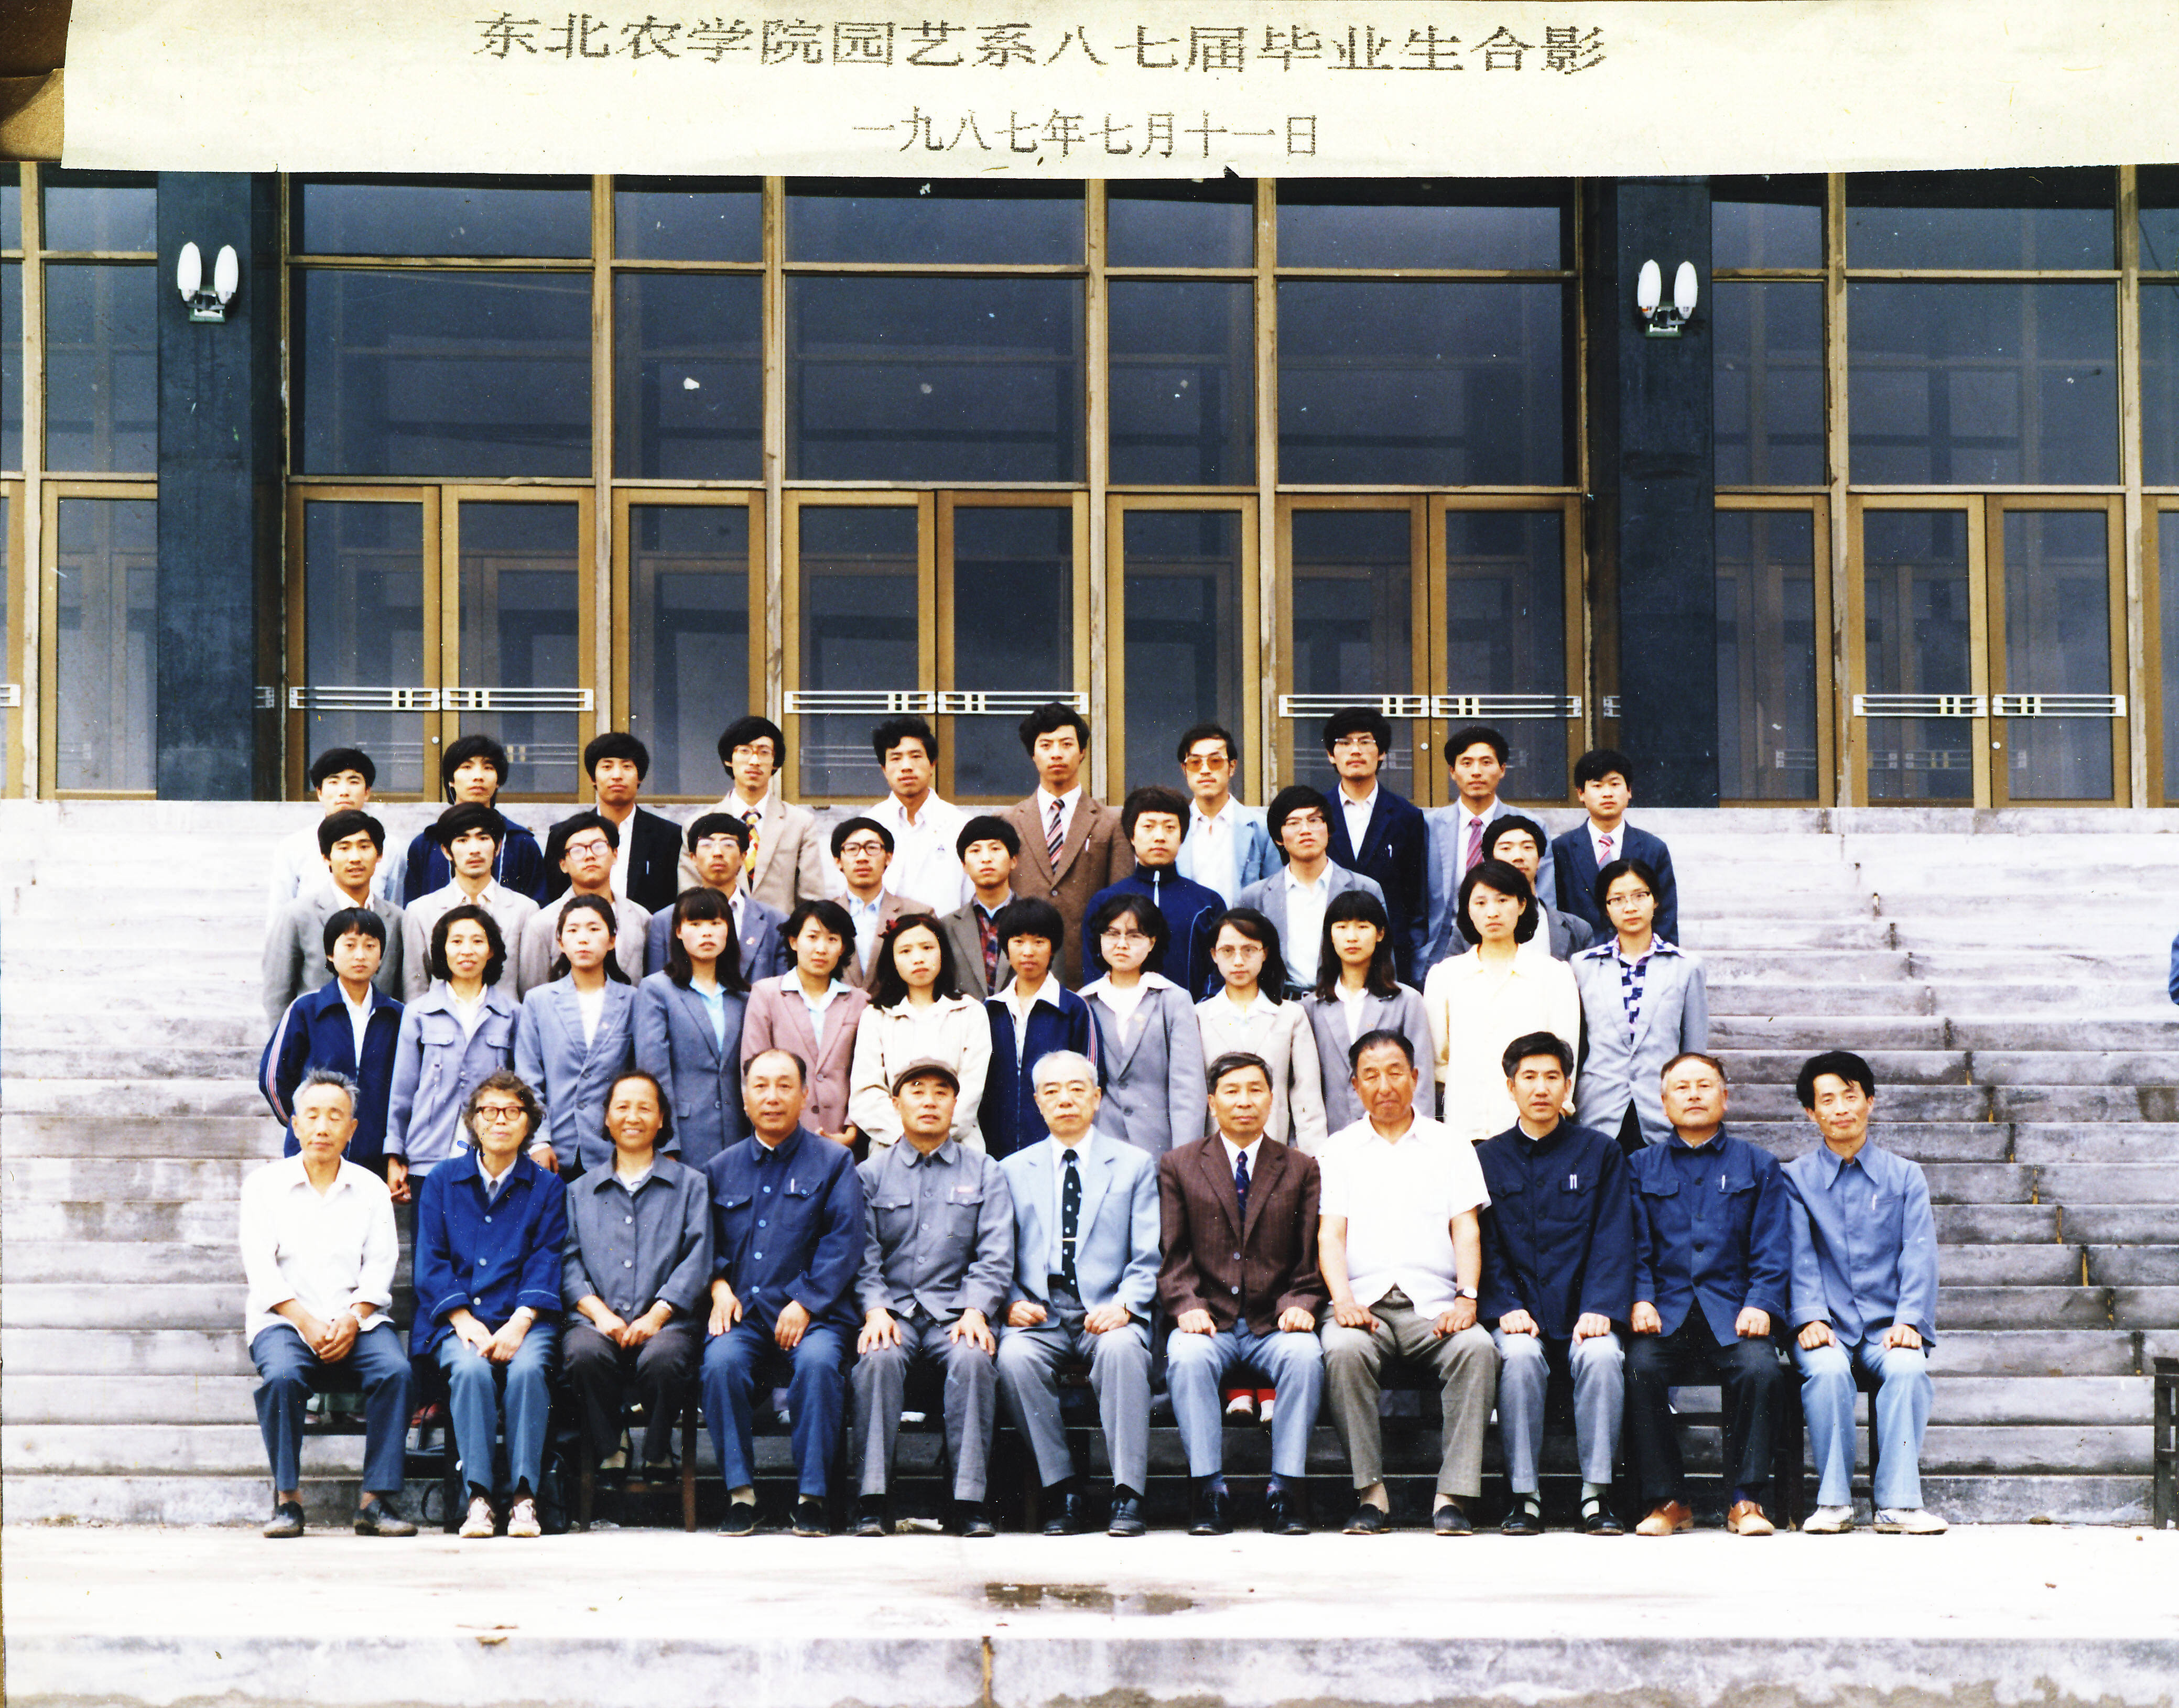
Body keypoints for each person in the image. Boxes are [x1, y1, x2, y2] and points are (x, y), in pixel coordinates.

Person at [1316, 1029, 1497, 1535]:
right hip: (1362, 1302)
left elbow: (1466, 1228)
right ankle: (1371, 1495)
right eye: (1370, 1075)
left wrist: (1466, 1297)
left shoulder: (1450, 1144)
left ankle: (1451, 1496)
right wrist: (1342, 1300)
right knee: (1343, 1349)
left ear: (1416, 1077)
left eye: (1395, 1072)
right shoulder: (1339, 1149)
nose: (1385, 1085)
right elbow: (1330, 1234)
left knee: (1476, 1348)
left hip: (1433, 1303)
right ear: (1355, 1085)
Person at [241, 1069, 416, 1539]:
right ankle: (288, 1501)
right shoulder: (264, 1186)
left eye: (335, 1116)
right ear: (295, 1124)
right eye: (312, 1115)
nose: (322, 1126)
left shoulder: (371, 1188)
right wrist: (305, 1321)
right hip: (284, 1319)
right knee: (282, 1376)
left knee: (396, 1372)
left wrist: (352, 1319)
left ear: (352, 1128)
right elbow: (261, 1269)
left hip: (357, 1320)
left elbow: (380, 1267)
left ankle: (374, 1501)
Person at [1159, 1052, 1328, 1536]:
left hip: (1272, 1322)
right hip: (1209, 1320)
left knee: (1304, 1355)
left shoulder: (1300, 1167)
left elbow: (1309, 1256)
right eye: (1231, 1091)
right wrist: (1187, 1305)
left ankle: (1285, 1492)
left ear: (1272, 1099)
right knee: (1187, 1357)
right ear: (1211, 1101)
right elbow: (1172, 1253)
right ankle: (1209, 1492)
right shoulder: (1179, 1164)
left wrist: (1299, 1303)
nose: (1244, 1101)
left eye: (1255, 1090)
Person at [994, 1051, 1161, 1537]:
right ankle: (1062, 1487)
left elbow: (1148, 1254)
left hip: (1107, 1307)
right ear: (1037, 1102)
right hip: (1040, 1311)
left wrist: (1125, 1305)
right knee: (1014, 1358)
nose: (1064, 1099)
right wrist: (1010, 1300)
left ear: (1097, 1097)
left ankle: (1128, 1492)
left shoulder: (1133, 1164)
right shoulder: (1011, 1169)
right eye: (1051, 1091)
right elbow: (997, 1251)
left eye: (1076, 1088)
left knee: (1123, 1349)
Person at [1625, 1052, 1792, 1538]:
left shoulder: (1757, 1164)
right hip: (1666, 1311)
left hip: (1732, 1311)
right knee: (1638, 1366)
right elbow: (1631, 1243)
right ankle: (1668, 1500)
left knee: (1761, 1369)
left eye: (1704, 1085)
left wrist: (1760, 1301)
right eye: (1681, 1087)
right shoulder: (1639, 1166)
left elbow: (1772, 1243)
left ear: (1725, 1096)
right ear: (1663, 1103)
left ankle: (1745, 1499)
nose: (1693, 1094)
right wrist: (1640, 1296)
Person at [1475, 1032, 1634, 1536]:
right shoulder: (1486, 1157)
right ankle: (1524, 1496)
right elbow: (1483, 1242)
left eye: (1551, 1077)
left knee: (1602, 1356)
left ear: (1568, 1085)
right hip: (1517, 1310)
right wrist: (1504, 1305)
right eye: (1528, 1077)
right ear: (1510, 1086)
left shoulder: (1600, 1152)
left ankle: (1596, 1495)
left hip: (1585, 1309)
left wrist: (1600, 1306)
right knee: (1519, 1357)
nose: (1540, 1088)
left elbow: (1614, 1233)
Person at [702, 1048, 865, 1537]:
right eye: (760, 1086)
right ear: (745, 1097)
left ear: (804, 1094)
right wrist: (718, 1287)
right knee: (720, 1363)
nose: (772, 1096)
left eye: (784, 1085)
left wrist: (806, 1301)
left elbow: (844, 1241)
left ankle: (811, 1497)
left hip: (815, 1315)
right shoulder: (720, 1167)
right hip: (745, 1313)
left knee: (818, 1365)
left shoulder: (834, 1161)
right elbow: (705, 1242)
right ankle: (741, 1495)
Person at [850, 1059, 1016, 1538]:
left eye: (941, 1092)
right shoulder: (869, 1174)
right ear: (896, 1103)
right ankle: (872, 1499)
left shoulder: (984, 1171)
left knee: (973, 1357)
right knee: (877, 1357)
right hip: (894, 1311)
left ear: (955, 1104)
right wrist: (875, 1308)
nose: (929, 1101)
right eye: (917, 1090)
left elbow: (995, 1252)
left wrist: (976, 1309)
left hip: (955, 1312)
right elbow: (862, 1254)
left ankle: (967, 1500)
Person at [1786, 1050, 1946, 1536]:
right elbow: (1797, 1255)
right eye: (1826, 1100)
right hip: (1825, 1326)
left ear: (1869, 1101)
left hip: (1886, 1327)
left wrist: (1909, 1320)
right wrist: (1809, 1316)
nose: (1840, 1108)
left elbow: (1918, 1253)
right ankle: (1834, 1502)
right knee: (1828, 1371)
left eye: (1850, 1095)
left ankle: (1897, 1504)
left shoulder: (1905, 1175)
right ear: (1810, 1112)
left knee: (1908, 1368)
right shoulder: (1794, 1179)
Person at [411, 1070, 567, 1540]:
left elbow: (547, 1257)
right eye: (490, 1111)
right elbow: (431, 1258)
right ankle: (477, 1498)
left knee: (528, 1371)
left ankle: (524, 1497)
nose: (500, 1120)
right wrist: (463, 1319)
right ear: (474, 1121)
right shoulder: (442, 1181)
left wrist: (520, 1323)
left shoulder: (547, 1187)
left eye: (513, 1111)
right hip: (456, 1320)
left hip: (526, 1319)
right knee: (471, 1370)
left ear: (529, 1123)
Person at [560, 1071, 713, 1482]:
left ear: (661, 1119)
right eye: (622, 1107)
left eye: (645, 1107)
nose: (633, 1116)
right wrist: (600, 1314)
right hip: (596, 1322)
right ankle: (613, 1445)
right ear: (606, 1118)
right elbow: (568, 1261)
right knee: (582, 1354)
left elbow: (698, 1257)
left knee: (664, 1359)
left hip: (669, 1322)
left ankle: (658, 1449)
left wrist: (657, 1316)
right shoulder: (578, 1191)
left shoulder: (691, 1186)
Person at [1423, 860, 1580, 1144]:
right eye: (1480, 903)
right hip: (1465, 1129)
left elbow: (1566, 1054)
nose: (1492, 912)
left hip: (1534, 1129)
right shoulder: (1445, 975)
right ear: (1468, 910)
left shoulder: (1554, 974)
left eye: (1503, 900)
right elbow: (1438, 1059)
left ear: (1522, 905)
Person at [1574, 858, 1709, 1152]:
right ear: (1606, 908)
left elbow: (1695, 1050)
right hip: (1598, 1110)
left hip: (1662, 1111)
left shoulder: (1686, 967)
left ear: (1655, 900)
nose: (1630, 907)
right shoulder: (1583, 966)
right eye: (1618, 899)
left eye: (1640, 896)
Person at [385, 905, 521, 1199]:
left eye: (478, 941)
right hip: (428, 1157)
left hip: (494, 1159)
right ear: (442, 950)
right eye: (457, 941)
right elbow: (402, 1092)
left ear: (491, 951)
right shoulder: (419, 1013)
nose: (467, 950)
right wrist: (395, 1155)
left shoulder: (512, 1014)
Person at [260, 909, 404, 1177]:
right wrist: (305, 1123)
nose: (360, 955)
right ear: (330, 953)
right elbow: (273, 1079)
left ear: (381, 955)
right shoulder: (307, 1009)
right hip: (313, 1152)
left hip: (376, 1155)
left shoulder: (396, 1015)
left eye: (370, 946)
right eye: (350, 945)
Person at [1000, 701, 1133, 986]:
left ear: (1082, 752)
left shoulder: (1111, 822)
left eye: (1067, 744)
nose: (1057, 754)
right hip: (1022, 969)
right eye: (1046, 745)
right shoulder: (1008, 822)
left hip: (1087, 967)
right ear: (1033, 754)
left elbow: (1121, 901)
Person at [514, 896, 638, 1177]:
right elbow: (528, 1077)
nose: (583, 939)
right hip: (556, 1150)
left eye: (594, 929)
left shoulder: (633, 1001)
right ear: (560, 942)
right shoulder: (539, 1001)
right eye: (572, 930)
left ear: (612, 940)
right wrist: (539, 1141)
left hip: (615, 1148)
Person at [1081, 892, 1208, 1161]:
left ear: (1152, 942)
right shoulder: (1084, 1002)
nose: (1122, 944)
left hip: (1159, 1150)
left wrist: (1183, 1161)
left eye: (1134, 935)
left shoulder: (1173, 1000)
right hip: (1099, 1148)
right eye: (1112, 934)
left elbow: (1187, 1089)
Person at [848, 916, 991, 1152]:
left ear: (942, 952)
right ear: (892, 960)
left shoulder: (970, 1011)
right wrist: (908, 1138)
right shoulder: (876, 1016)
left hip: (959, 1146)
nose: (918, 958)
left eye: (927, 948)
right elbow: (866, 1094)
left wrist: (936, 1137)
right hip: (892, 1147)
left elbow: (971, 1090)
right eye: (905, 951)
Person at [633, 889, 751, 1172]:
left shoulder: (743, 996)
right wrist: (666, 1143)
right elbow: (654, 1072)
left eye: (715, 923)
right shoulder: (657, 990)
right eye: (695, 924)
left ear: (729, 930)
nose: (706, 933)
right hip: (685, 1137)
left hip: (740, 1136)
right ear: (678, 932)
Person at [1422, 727, 1559, 967]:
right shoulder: (1429, 827)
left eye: (1486, 762)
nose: (1476, 772)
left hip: (1512, 949)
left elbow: (1544, 898)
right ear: (1453, 771)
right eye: (1466, 763)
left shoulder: (1528, 827)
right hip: (1440, 953)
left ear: (1502, 769)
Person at [1303, 891, 1434, 1137]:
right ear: (1330, 935)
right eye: (1342, 927)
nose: (1352, 937)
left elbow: (1422, 1079)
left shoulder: (1407, 1001)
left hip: (1395, 1134)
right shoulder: (1311, 1007)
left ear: (1380, 933)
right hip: (1331, 1138)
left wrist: (1420, 1139)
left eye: (1363, 927)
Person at [1233, 786, 1385, 998]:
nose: (1305, 830)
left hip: (1345, 1002)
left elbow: (1384, 961)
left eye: (1314, 820)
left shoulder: (1365, 888)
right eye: (1293, 823)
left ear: (1329, 829)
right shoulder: (1254, 897)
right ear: (1279, 838)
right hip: (1281, 1005)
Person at [741, 900, 870, 1147]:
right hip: (781, 1135)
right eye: (812, 937)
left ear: (843, 948)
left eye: (832, 939)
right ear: (793, 941)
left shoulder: (860, 1001)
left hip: (843, 1138)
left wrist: (852, 1130)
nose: (821, 948)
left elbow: (865, 1072)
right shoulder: (766, 994)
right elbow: (752, 1067)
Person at [1196, 908, 1326, 1154]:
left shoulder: (1291, 1016)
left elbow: (1306, 1094)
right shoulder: (1198, 1016)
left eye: (1249, 950)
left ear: (1264, 953)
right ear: (1214, 954)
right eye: (1227, 951)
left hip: (1275, 1149)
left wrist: (1311, 1154)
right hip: (1215, 1153)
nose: (1238, 961)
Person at [981, 899, 1099, 1161]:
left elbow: (1091, 1078)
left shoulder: (1073, 1008)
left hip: (1057, 1146)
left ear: (1053, 947)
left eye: (1039, 941)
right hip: (995, 1148)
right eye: (1018, 941)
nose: (1028, 952)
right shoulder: (990, 1010)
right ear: (1006, 948)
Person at [263, 809, 405, 1026]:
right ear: (326, 857)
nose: (355, 858)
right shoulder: (297, 915)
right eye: (344, 848)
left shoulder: (397, 919)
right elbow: (277, 993)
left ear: (379, 855)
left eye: (364, 847)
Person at [1317, 708, 1429, 983]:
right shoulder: (1315, 814)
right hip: (1326, 952)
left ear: (1382, 753)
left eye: (1365, 741)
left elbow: (1415, 898)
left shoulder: (1406, 816)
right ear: (1331, 754)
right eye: (1345, 743)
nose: (1355, 751)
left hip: (1388, 956)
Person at [1083, 786, 1226, 999]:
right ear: (1132, 836)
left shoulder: (1208, 903)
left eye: (1170, 828)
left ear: (1182, 836)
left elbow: (1219, 970)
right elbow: (1093, 971)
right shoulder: (1104, 902)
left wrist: (1199, 1011)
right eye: (1148, 827)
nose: (1159, 837)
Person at [686, 715, 830, 914]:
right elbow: (689, 893)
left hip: (780, 931)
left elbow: (811, 898)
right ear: (729, 759)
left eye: (764, 752)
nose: (754, 761)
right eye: (745, 751)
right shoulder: (697, 824)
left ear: (775, 762)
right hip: (717, 927)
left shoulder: (800, 823)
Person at [399, 804, 543, 1002]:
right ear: (446, 851)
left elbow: (532, 991)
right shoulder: (420, 911)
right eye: (462, 840)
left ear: (498, 847)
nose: (474, 850)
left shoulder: (525, 910)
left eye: (483, 838)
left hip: (507, 1019)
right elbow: (415, 989)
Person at [543, 732, 685, 915]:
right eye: (607, 767)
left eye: (627, 766)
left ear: (640, 777)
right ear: (593, 778)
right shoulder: (563, 834)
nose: (617, 775)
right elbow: (553, 896)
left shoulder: (668, 836)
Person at [396, 735, 547, 906]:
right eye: (467, 767)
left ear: (498, 780)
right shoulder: (426, 844)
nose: (478, 776)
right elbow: (413, 909)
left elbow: (538, 910)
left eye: (488, 767)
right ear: (451, 780)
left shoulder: (521, 843)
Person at [1551, 748, 1680, 947]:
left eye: (1615, 784)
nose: (1607, 793)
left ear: (1629, 791)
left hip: (1639, 955)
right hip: (1580, 957)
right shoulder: (1561, 849)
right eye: (1597, 786)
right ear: (1581, 793)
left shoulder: (1653, 849)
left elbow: (1666, 917)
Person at [512, 811, 651, 996]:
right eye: (577, 850)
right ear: (563, 864)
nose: (590, 856)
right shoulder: (542, 923)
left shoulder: (642, 918)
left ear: (615, 854)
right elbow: (532, 991)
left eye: (599, 847)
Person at [1425, 814, 1590, 969]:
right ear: (1490, 859)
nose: (1518, 856)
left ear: (1539, 860)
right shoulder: (1470, 927)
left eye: (1527, 847)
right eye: (1506, 848)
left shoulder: (1577, 929)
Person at [645, 813, 791, 986]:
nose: (718, 853)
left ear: (743, 857)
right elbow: (657, 988)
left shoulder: (776, 922)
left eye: (728, 845)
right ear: (693, 858)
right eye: (707, 845)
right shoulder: (664, 921)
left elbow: (782, 992)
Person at [845, 714, 969, 917]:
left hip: (943, 933)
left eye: (916, 756)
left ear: (933, 764)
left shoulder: (960, 825)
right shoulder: (866, 826)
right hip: (882, 934)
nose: (906, 767)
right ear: (884, 769)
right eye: (896, 758)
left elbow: (970, 898)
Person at [267, 747, 382, 926]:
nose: (344, 791)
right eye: (334, 782)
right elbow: (279, 919)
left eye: (353, 781)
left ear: (367, 791)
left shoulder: (391, 848)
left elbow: (392, 913)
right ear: (320, 792)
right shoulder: (292, 848)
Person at [1172, 722, 1277, 907]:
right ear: (1185, 770)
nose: (1205, 770)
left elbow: (1274, 893)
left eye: (1215, 761)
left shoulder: (1261, 828)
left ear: (1232, 767)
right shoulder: (1173, 827)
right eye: (1195, 763)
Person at [829, 817, 922, 992]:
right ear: (838, 861)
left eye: (872, 848)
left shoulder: (917, 914)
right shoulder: (823, 917)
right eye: (852, 849)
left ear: (888, 857)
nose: (862, 858)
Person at [937, 815, 1020, 1001]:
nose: (986, 859)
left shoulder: (1040, 919)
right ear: (964, 865)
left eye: (995, 849)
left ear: (1013, 860)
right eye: (975, 850)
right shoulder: (946, 927)